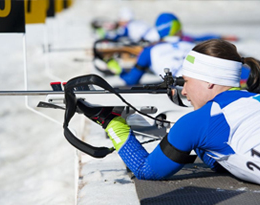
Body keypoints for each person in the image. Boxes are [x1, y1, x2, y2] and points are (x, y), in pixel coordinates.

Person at [78, 39, 260, 185]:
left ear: (209, 81)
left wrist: (111, 122)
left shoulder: (198, 121)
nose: (185, 91)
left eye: (186, 81)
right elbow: (224, 160)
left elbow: (145, 170)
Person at [116, 12, 196, 85]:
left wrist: (119, 70)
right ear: (177, 27)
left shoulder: (148, 51)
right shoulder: (192, 45)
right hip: (200, 80)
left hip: (180, 85)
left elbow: (131, 80)